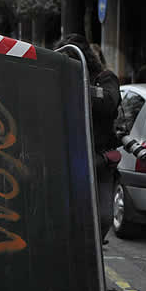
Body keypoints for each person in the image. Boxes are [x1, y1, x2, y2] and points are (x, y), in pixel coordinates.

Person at [55, 33, 121, 243]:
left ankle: (93, 248)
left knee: (103, 217)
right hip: (69, 156)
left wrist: (82, 86)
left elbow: (110, 103)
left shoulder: (105, 77)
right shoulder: (58, 79)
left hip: (100, 158)